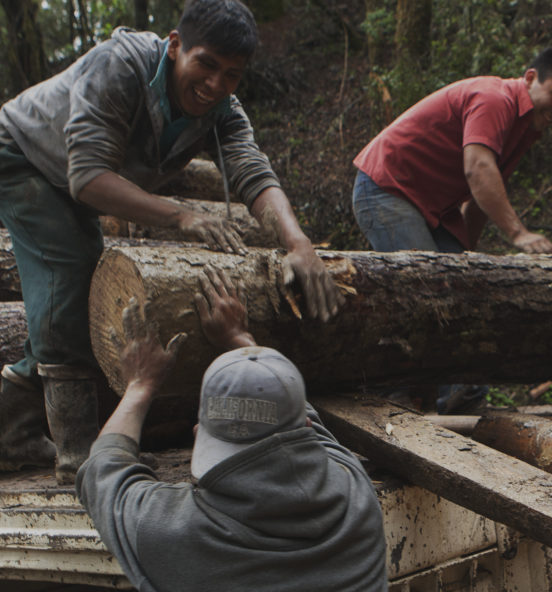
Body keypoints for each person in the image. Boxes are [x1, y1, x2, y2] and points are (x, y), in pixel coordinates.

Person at [0, 0, 341, 483]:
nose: (216, 84)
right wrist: (182, 217)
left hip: (71, 177)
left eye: (232, 75)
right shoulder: (121, 65)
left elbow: (251, 170)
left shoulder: (223, 109)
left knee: (76, 296)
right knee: (69, 281)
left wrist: (298, 243)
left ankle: (9, 435)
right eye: (206, 64)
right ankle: (78, 458)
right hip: (24, 158)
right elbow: (88, 177)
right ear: (176, 46)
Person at [75, 265, 410, 592]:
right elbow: (301, 419)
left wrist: (140, 385)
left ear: (200, 433)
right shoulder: (355, 493)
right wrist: (245, 347)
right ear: (303, 432)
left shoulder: (173, 534)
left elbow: (103, 469)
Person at [352, 46, 552, 255]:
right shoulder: (495, 99)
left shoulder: (525, 128)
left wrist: (470, 260)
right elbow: (478, 170)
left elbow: (480, 196)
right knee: (426, 286)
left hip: (431, 206)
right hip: (387, 188)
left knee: (460, 284)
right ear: (531, 78)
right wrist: (518, 233)